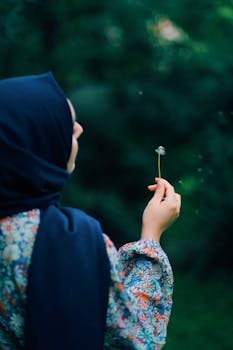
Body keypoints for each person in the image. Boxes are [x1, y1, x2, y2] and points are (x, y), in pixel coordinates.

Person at [0, 72, 181, 350]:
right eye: (67, 126)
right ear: (37, 143)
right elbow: (133, 340)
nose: (79, 129)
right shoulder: (66, 243)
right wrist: (151, 237)